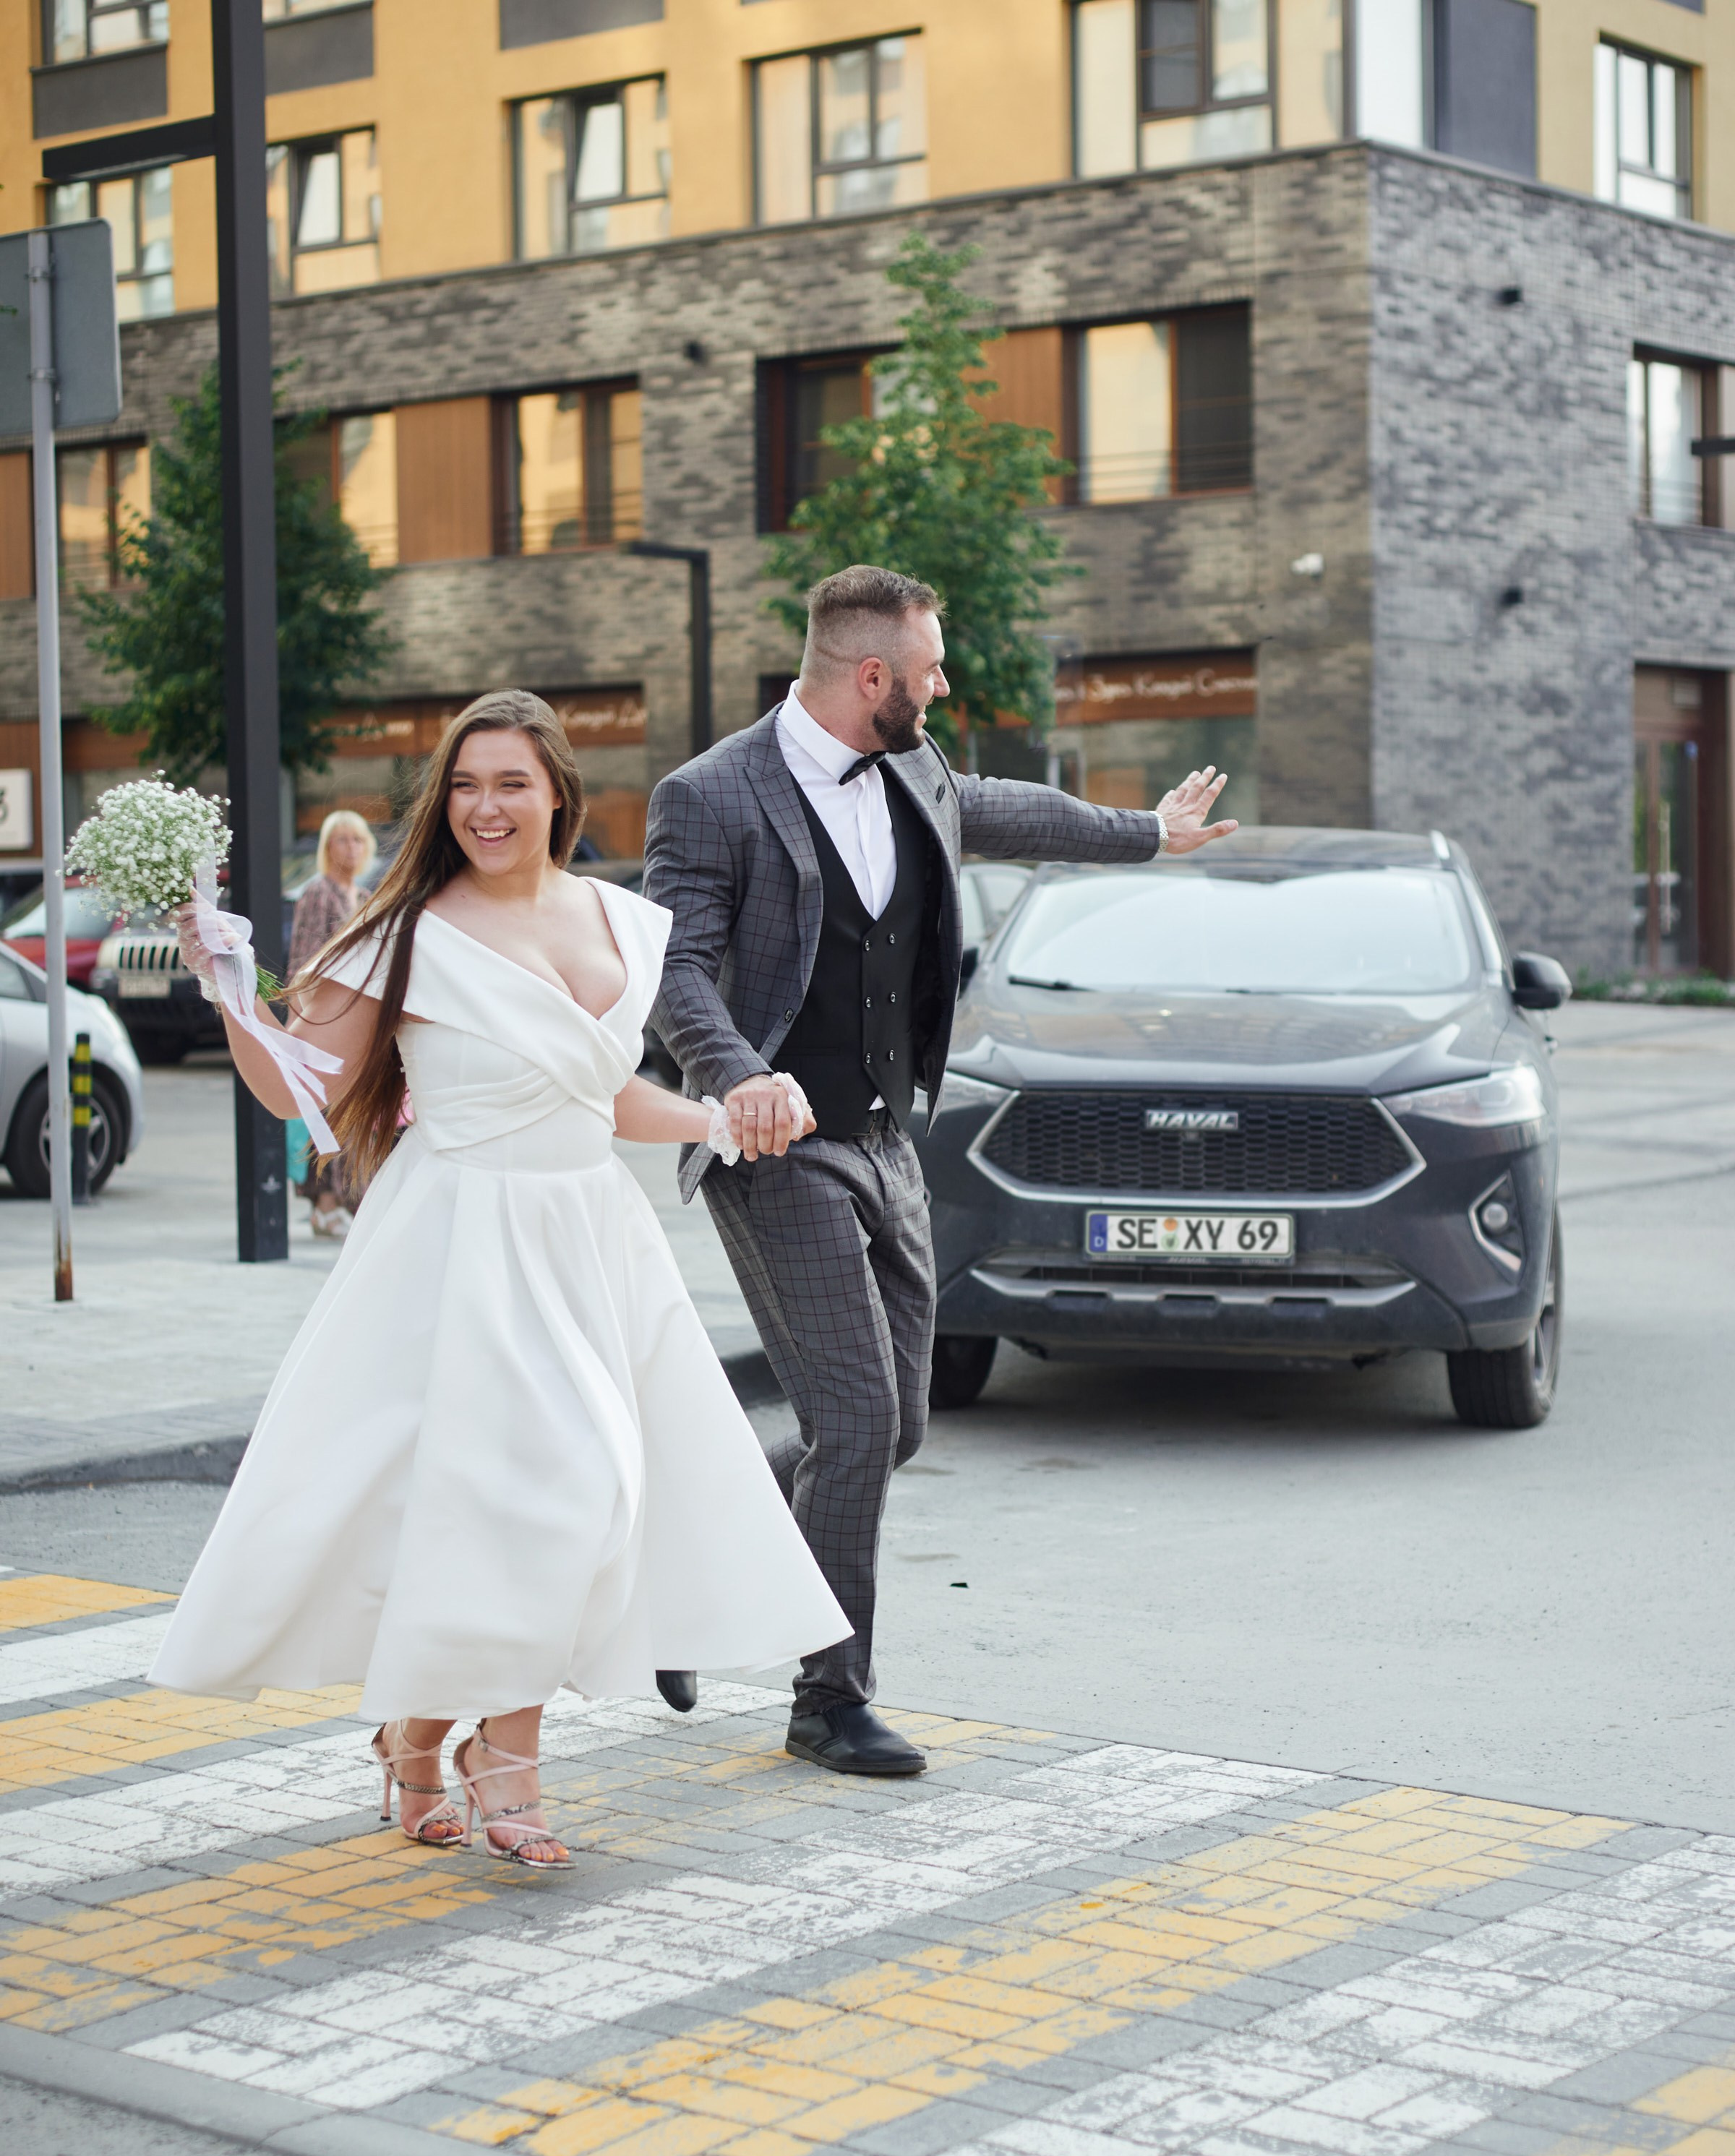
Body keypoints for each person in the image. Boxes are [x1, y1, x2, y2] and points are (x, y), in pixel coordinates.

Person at [151, 690, 847, 1867]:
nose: (485, 806)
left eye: (511, 783)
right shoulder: (405, 933)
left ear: (558, 794)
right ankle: (489, 1758)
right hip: (456, 1244)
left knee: (583, 1498)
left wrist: (715, 1122)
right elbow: (302, 1089)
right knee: (532, 1501)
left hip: (588, 1239)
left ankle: (441, 1740)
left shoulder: (625, 926)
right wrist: (226, 986)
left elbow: (594, 1090)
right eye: (465, 785)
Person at [644, 565, 1235, 1778]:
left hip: (882, 1140)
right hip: (776, 1148)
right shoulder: (710, 797)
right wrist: (738, 1072)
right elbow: (675, 967)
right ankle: (829, 1701)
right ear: (875, 678)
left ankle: (692, 1548)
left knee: (894, 1426)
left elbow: (1011, 809)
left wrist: (1150, 836)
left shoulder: (915, 767)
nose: (945, 684)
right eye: (932, 669)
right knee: (853, 1421)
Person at [288, 809, 376, 1239]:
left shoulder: (362, 896)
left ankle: (340, 1201)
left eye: (357, 840)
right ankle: (323, 1203)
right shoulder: (319, 893)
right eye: (342, 840)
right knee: (323, 1113)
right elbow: (303, 962)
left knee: (349, 1114)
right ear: (327, 848)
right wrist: (301, 1023)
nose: (351, 848)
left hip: (358, 1021)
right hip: (324, 1019)